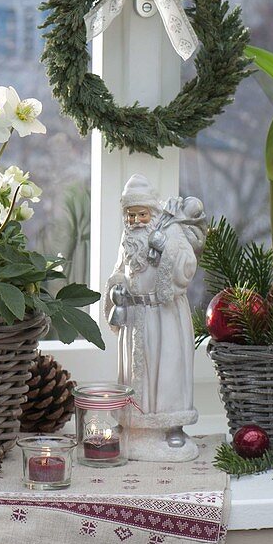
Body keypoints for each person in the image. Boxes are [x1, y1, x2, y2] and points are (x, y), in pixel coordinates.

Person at [105, 174, 206, 460]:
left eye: (141, 214)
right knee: (133, 374)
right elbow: (119, 270)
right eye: (131, 214)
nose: (136, 220)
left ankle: (169, 425)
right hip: (135, 317)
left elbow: (186, 268)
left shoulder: (170, 231)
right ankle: (134, 424)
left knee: (167, 371)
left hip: (164, 318)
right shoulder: (128, 239)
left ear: (152, 212)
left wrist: (166, 251)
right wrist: (118, 290)